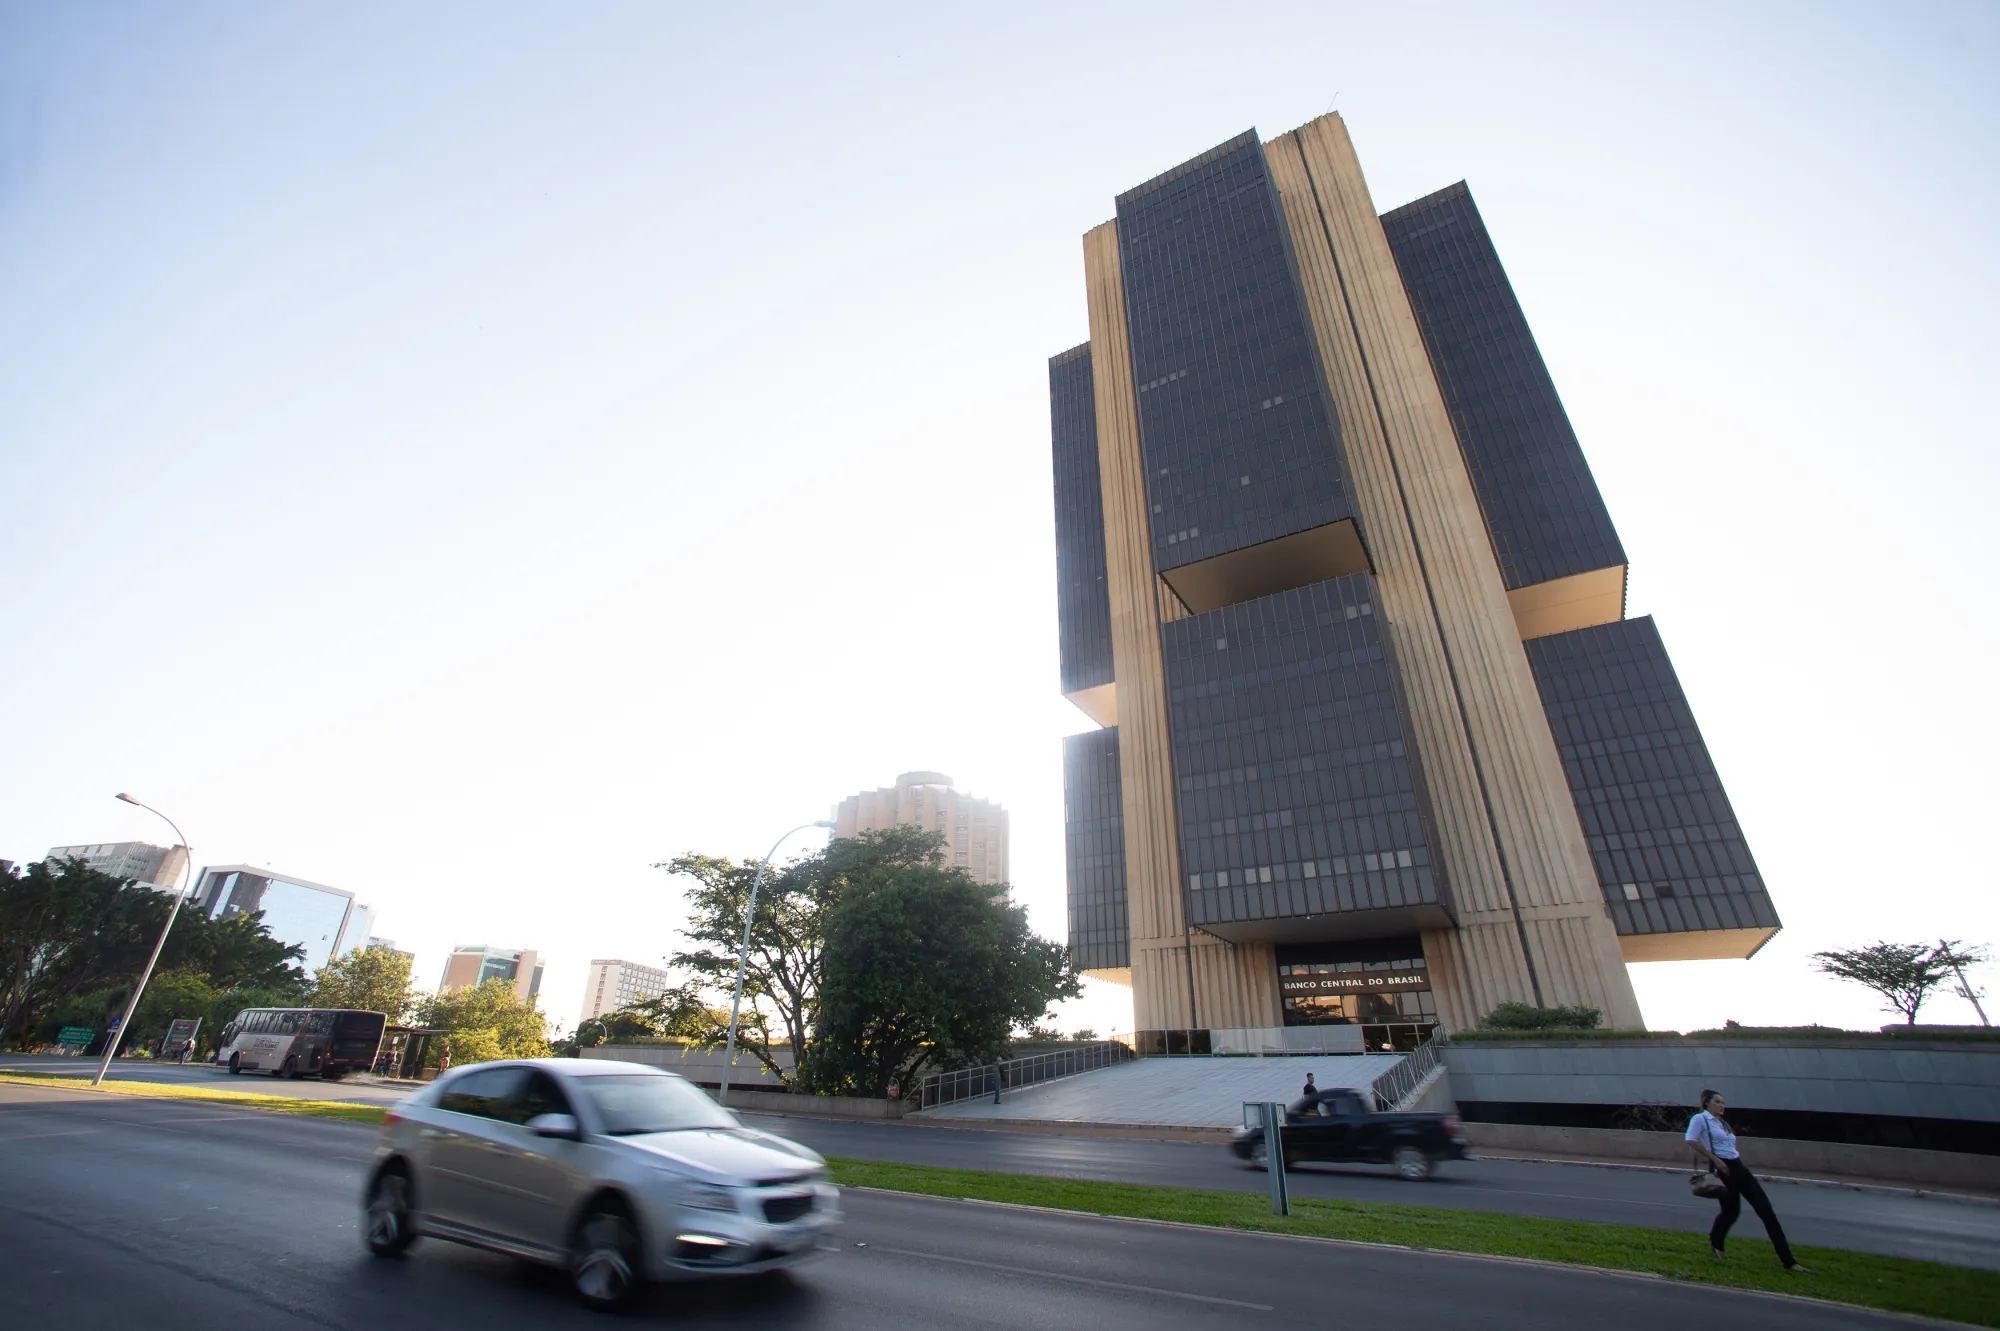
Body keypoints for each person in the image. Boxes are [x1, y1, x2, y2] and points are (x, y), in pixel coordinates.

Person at [1687, 1089, 1809, 1273]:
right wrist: (1716, 1160)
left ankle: (1789, 1261)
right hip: (1723, 1169)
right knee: (1731, 1212)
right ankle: (1717, 1243)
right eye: (1718, 1102)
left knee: (1766, 1211)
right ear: (1706, 1103)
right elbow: (1691, 1139)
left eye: (1723, 1102)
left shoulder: (1722, 1123)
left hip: (1739, 1167)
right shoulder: (1701, 1119)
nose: (1722, 1105)